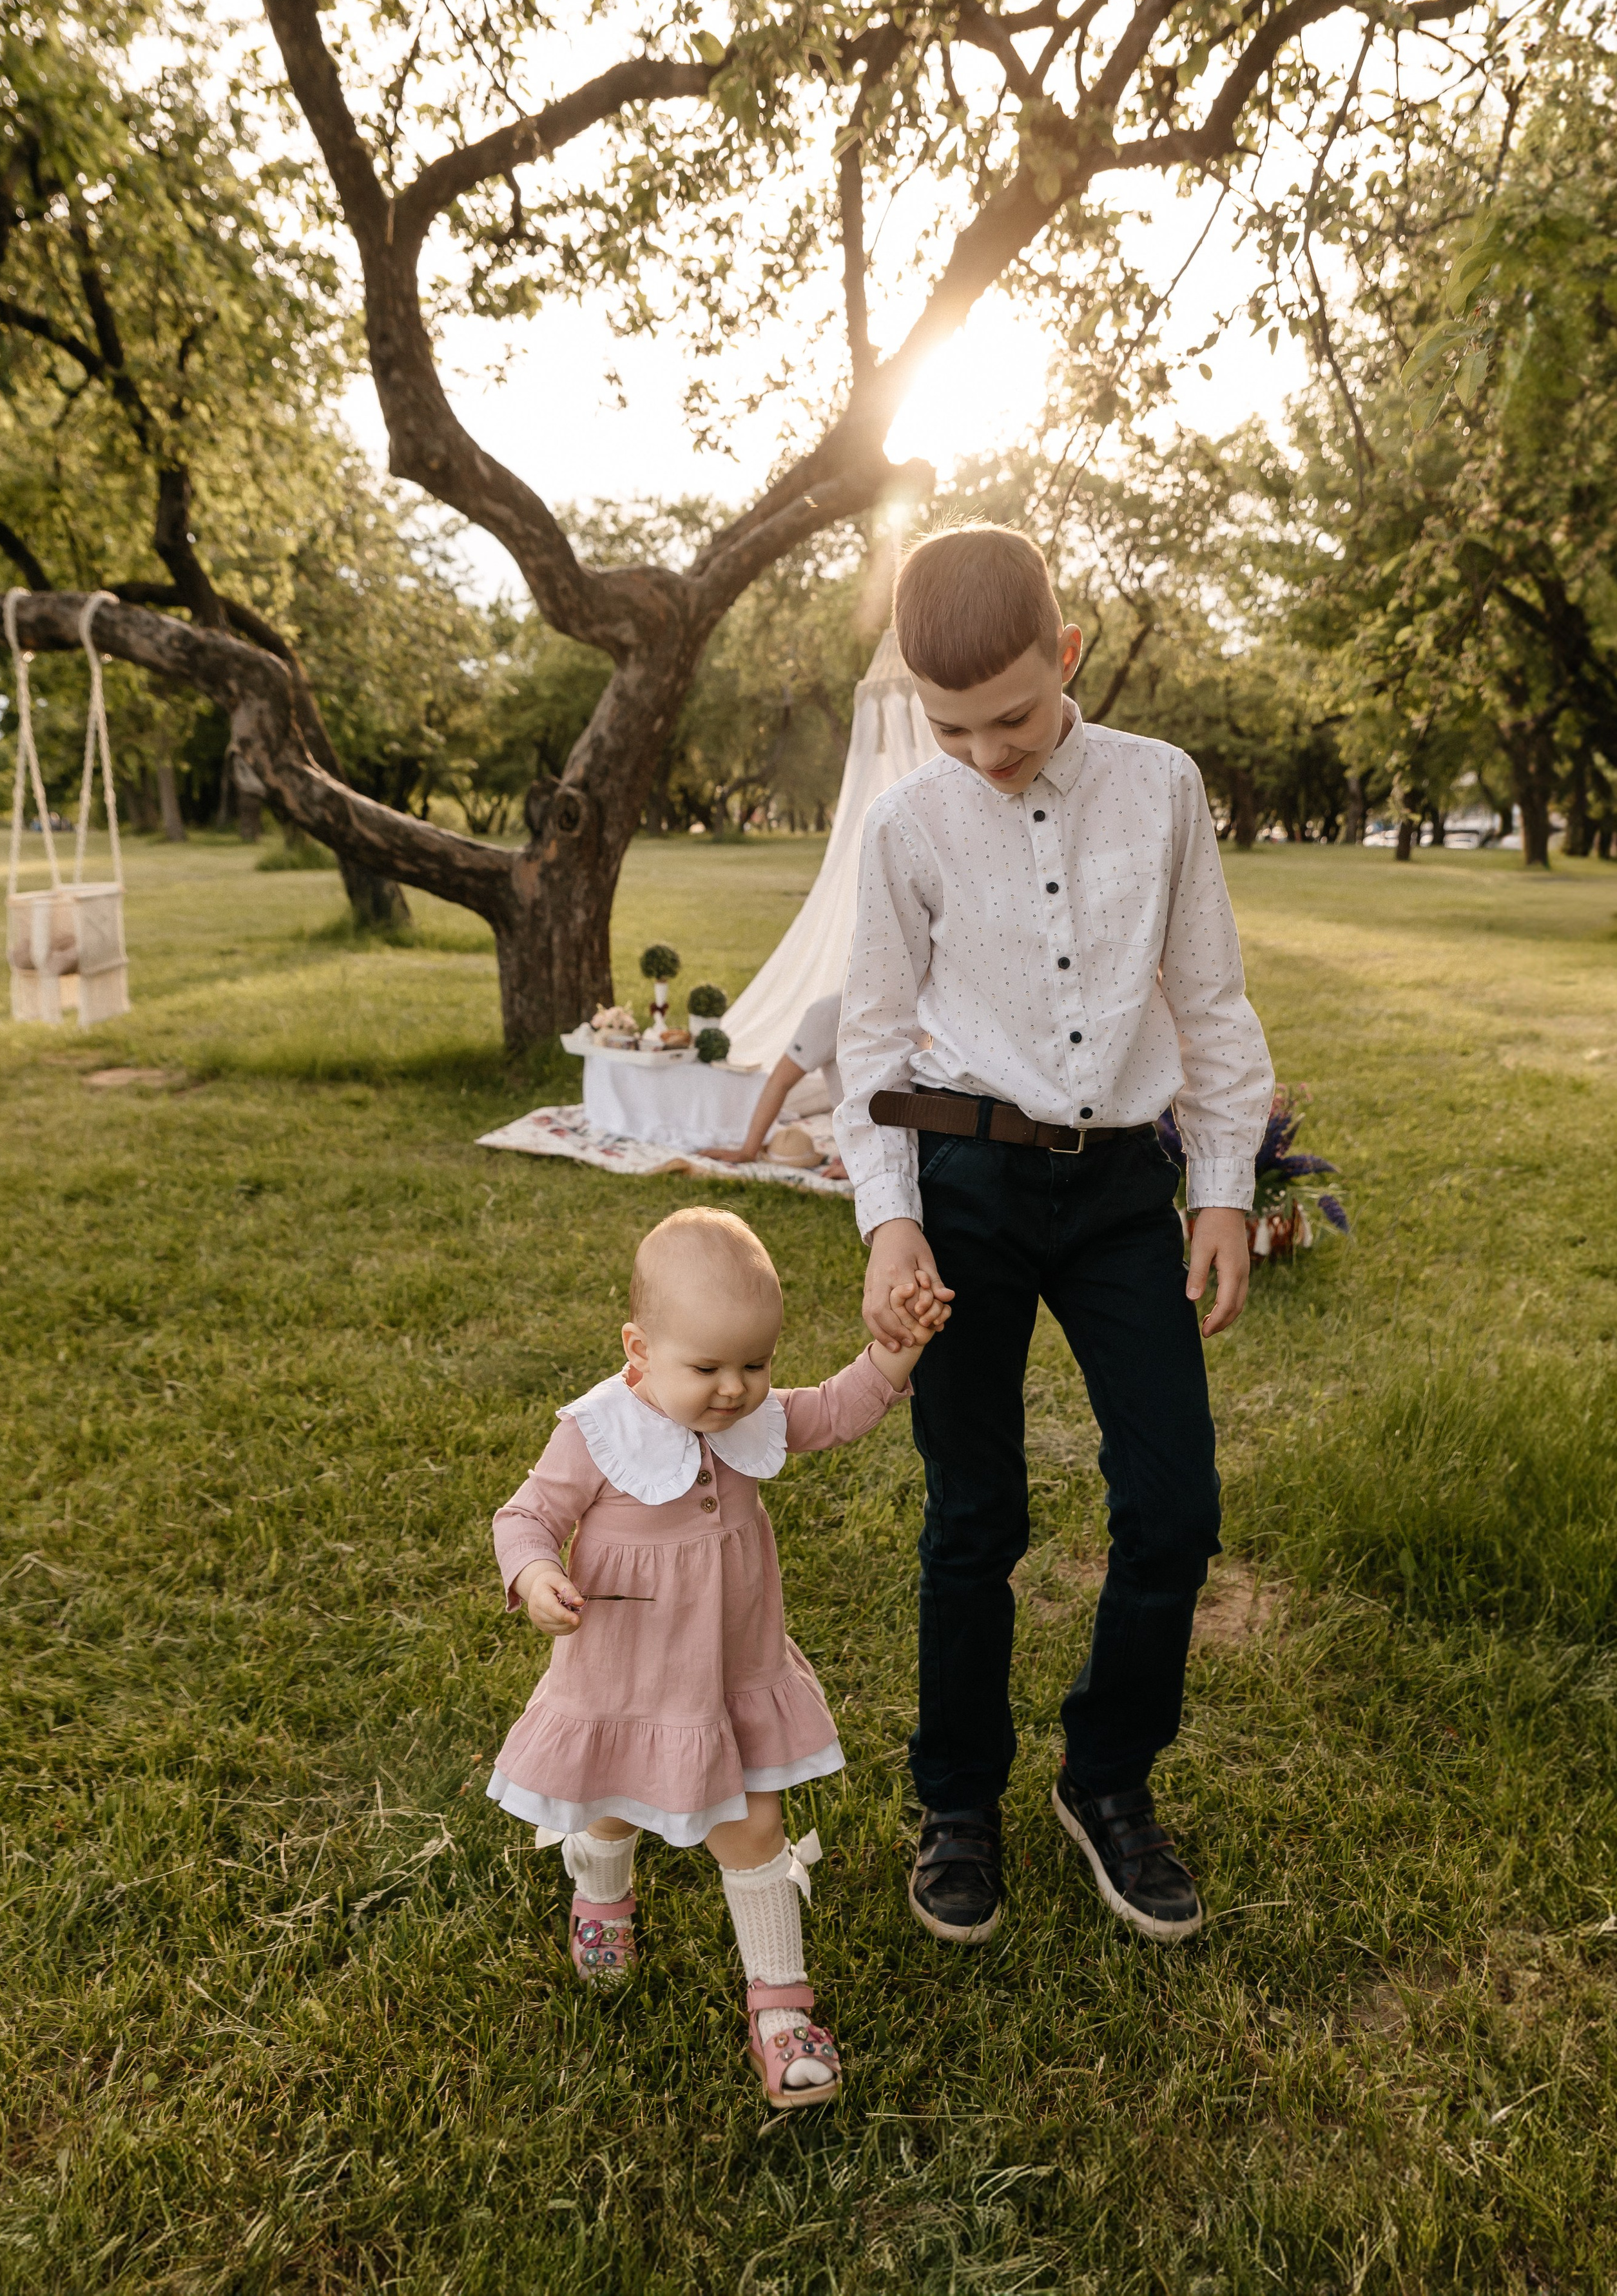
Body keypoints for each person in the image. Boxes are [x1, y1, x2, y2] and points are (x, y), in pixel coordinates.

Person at [835, 523, 1273, 1951]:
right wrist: (889, 1227)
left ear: (1066, 654)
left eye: (1010, 715)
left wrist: (1219, 1183)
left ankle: (1107, 1782)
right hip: (962, 1185)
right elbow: (868, 1046)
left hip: (1114, 1200)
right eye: (948, 725)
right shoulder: (909, 825)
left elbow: (1206, 999)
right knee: (975, 1516)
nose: (985, 751)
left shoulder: (1160, 789)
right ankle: (956, 1800)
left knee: (1173, 1510)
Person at [486, 1206, 942, 2109]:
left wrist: (900, 1352)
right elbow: (525, 1517)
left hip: (728, 1675)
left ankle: (780, 2009)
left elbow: (842, 1408)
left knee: (754, 1829)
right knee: (612, 1807)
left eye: (755, 1364)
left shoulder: (750, 1416)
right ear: (639, 1349)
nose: (735, 1390)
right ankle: (602, 1899)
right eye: (707, 1368)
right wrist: (535, 1577)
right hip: (625, 1676)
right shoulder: (597, 1433)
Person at [697, 992, 849, 1177]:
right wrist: (748, 1151)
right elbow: (780, 1082)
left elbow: (780, 1082)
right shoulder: (835, 1010)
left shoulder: (832, 1010)